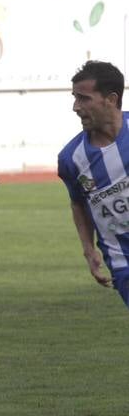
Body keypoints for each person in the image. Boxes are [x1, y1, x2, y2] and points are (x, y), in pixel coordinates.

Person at [58, 61, 129, 308]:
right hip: (123, 262)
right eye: (75, 98)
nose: (76, 107)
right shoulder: (71, 158)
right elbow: (78, 203)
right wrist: (89, 250)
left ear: (111, 99)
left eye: (84, 98)